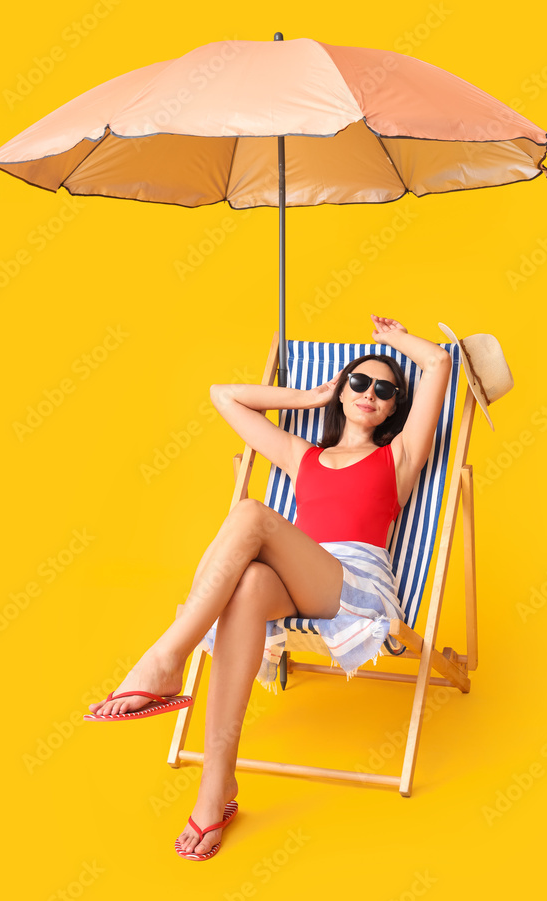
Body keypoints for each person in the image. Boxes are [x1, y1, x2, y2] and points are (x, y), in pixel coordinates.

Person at [86, 315, 452, 858]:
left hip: (356, 587)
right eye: (359, 382)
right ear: (342, 392)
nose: (371, 393)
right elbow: (224, 396)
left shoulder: (396, 458)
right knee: (252, 582)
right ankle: (218, 789)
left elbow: (440, 363)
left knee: (253, 514)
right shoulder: (303, 456)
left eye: (385, 389)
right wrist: (310, 395)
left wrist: (394, 341)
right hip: (296, 578)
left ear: (396, 405)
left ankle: (164, 660)